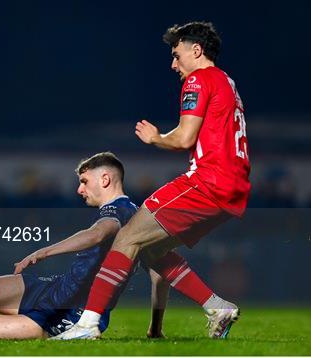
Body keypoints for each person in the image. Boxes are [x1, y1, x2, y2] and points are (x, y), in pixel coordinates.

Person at [0, 152, 234, 339]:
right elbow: (161, 272)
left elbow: (97, 236)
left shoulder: (124, 213)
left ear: (104, 179)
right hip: (52, 288)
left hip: (67, 311)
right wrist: (155, 329)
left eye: (84, 182)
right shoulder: (134, 221)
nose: (79, 189)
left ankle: (51, 333)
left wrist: (44, 250)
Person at [53, 21, 250, 340]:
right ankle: (217, 307)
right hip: (232, 188)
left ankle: (87, 326)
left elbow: (185, 138)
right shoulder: (225, 80)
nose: (174, 64)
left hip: (207, 181)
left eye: (176, 55)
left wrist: (156, 138)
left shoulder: (198, 80)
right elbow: (197, 131)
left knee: (126, 237)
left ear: (195, 50)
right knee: (150, 251)